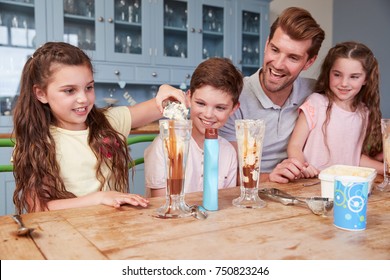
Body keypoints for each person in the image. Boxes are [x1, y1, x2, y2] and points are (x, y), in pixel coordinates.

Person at [12, 42, 186, 214]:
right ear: (41, 94)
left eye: (89, 87)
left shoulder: (109, 122)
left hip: (111, 228)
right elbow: (38, 208)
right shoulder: (35, 140)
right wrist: (99, 198)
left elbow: (162, 104)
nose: (83, 99)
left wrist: (165, 90)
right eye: (69, 90)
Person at [219, 7, 325, 183]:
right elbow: (225, 175)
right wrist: (270, 177)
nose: (278, 64)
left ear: (309, 62)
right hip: (249, 196)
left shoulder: (314, 93)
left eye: (293, 57)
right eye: (275, 50)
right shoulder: (234, 97)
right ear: (267, 44)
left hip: (298, 191)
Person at [144, 57, 243, 197]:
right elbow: (161, 205)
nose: (208, 114)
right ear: (188, 98)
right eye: (201, 104)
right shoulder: (165, 145)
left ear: (234, 108)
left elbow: (224, 202)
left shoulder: (229, 153)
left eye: (220, 107)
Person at [287, 41, 383, 177]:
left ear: (366, 79)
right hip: (311, 184)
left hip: (346, 187)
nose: (344, 83)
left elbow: (355, 158)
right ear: (328, 73)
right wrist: (302, 167)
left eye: (354, 77)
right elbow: (295, 145)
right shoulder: (316, 103)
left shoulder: (364, 113)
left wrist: (386, 168)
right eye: (337, 75)